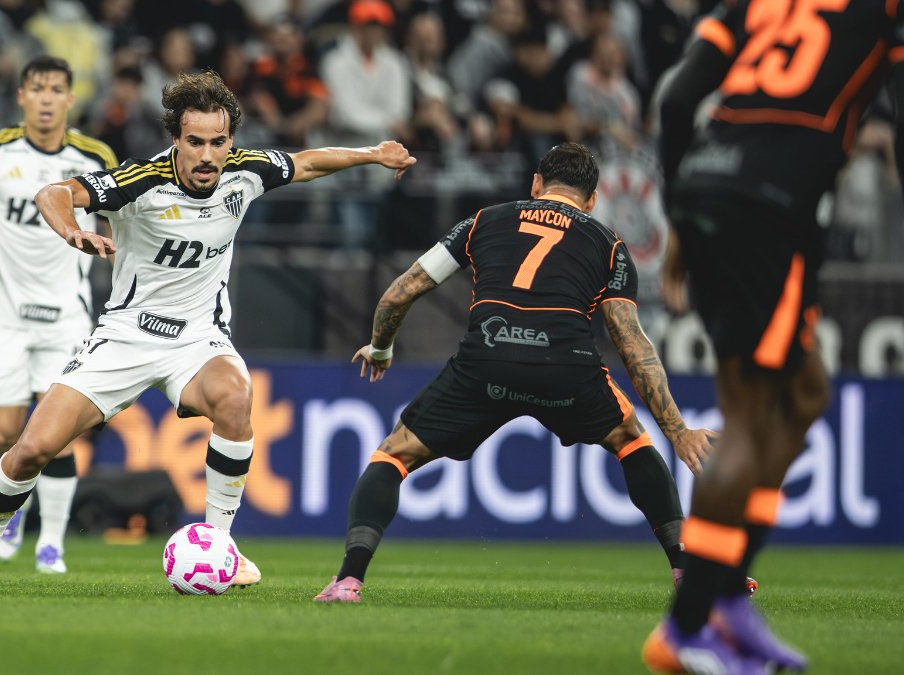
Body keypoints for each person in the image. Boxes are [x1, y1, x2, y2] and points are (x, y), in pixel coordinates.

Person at [0, 70, 415, 590]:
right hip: (126, 336)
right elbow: (53, 192)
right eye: (194, 142)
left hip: (197, 339)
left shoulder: (247, 172)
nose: (206, 155)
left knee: (235, 397)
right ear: (175, 139)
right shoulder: (140, 180)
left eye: (217, 142)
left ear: (231, 141)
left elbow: (309, 161)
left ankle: (219, 543)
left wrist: (372, 153)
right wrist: (72, 231)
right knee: (32, 448)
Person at [313, 142, 713, 604]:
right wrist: (679, 432)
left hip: (486, 362)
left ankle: (348, 581)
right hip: (566, 367)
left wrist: (381, 347)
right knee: (632, 440)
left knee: (393, 455)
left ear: (536, 184)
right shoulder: (610, 246)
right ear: (592, 201)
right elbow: (630, 341)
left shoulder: (484, 221)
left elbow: (398, 294)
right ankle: (688, 571)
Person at [643, 4, 904, 673]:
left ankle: (727, 597)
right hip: (772, 205)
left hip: (709, 186)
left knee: (805, 392)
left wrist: (678, 215)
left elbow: (676, 99)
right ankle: (686, 627)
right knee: (753, 417)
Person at [0, 55, 117, 574]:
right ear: (22, 96)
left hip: (67, 314)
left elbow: (123, 221)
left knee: (56, 431)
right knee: (0, 435)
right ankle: (14, 512)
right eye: (36, 88)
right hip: (5, 313)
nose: (46, 98)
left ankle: (54, 545)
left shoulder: (95, 155)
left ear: (70, 98)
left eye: (56, 89)